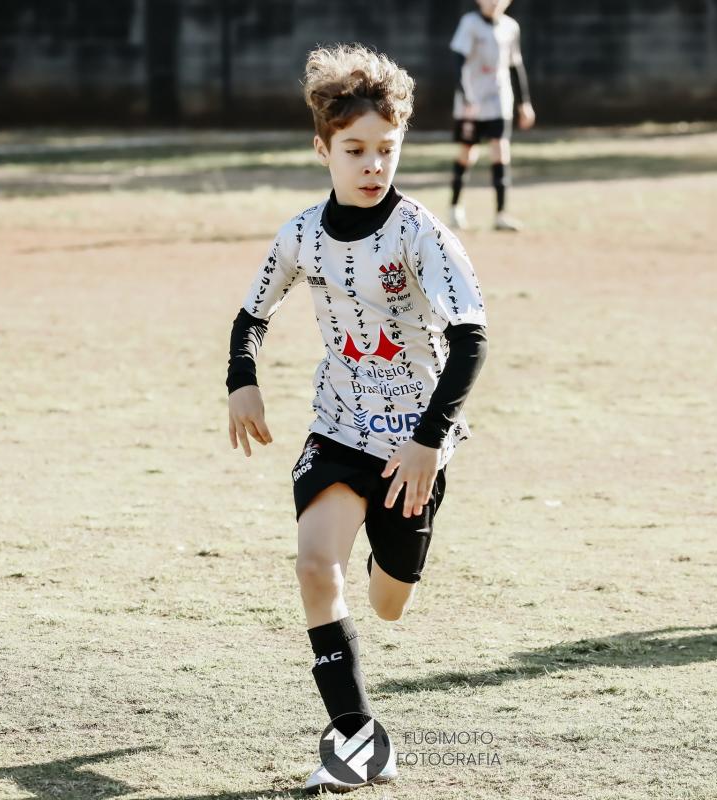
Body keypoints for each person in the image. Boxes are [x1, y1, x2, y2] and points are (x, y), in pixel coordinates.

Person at [225, 43, 489, 793]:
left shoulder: (422, 234)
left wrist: (430, 442)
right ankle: (358, 741)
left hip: (413, 443)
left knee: (389, 603)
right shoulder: (301, 234)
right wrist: (242, 381)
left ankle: (392, 554)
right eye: (355, 150)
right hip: (337, 426)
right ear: (323, 149)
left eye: (386, 149)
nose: (373, 165)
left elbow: (472, 338)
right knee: (315, 568)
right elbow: (251, 315)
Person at [448, 0, 536, 232]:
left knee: (500, 149)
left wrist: (525, 103)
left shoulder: (510, 27)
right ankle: (455, 209)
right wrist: (466, 96)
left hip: (499, 100)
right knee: (468, 152)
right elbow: (457, 62)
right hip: (472, 101)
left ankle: (501, 214)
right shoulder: (470, 24)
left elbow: (516, 66)